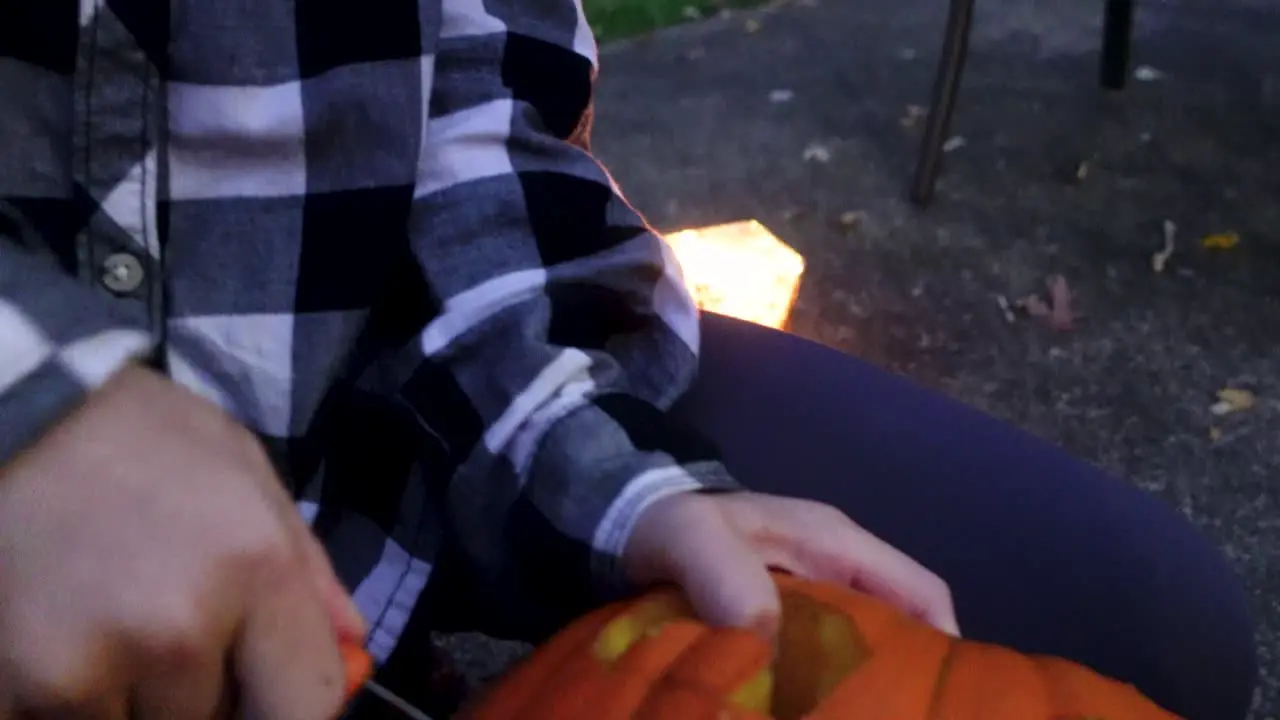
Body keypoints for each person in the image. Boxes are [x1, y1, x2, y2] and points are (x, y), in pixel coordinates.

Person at [0, 1, 1255, 719]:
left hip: (378, 444)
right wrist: (30, 406)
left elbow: (479, 122)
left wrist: (608, 474)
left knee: (1145, 625)